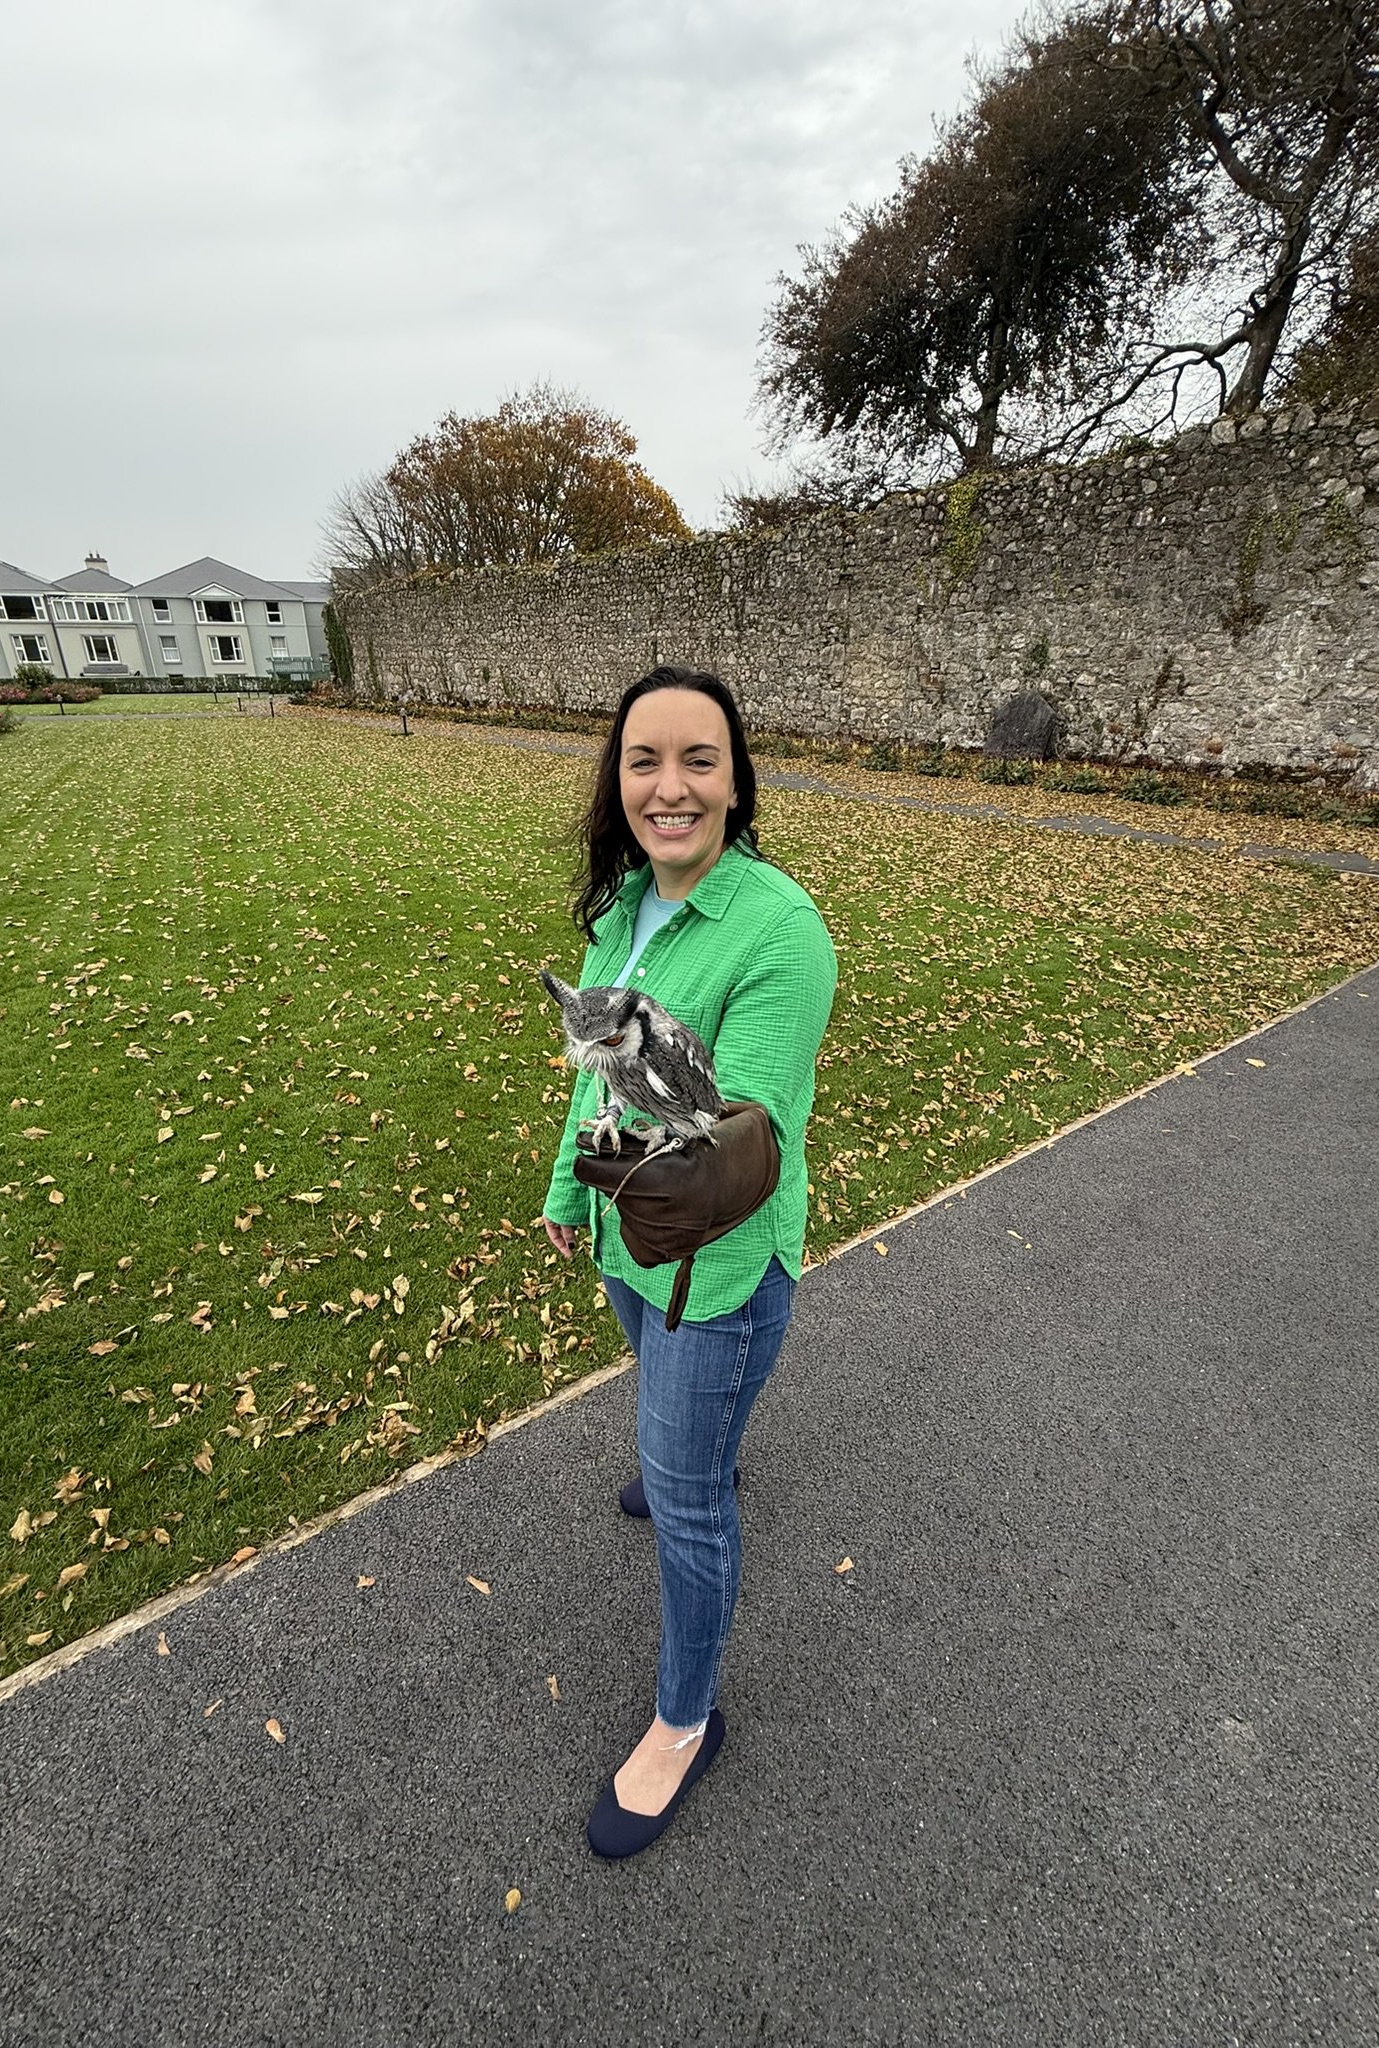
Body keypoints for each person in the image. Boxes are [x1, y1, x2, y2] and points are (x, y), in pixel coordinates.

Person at [541, 664, 837, 1858]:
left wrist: (639, 1170)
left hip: (713, 1272)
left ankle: (684, 1723)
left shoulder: (780, 930)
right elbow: (598, 1077)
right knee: (678, 1430)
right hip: (630, 1240)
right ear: (617, 781)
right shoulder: (623, 908)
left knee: (690, 1500)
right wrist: (570, 1188)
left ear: (737, 781)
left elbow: (737, 1139)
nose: (670, 786)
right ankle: (694, 1452)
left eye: (698, 759)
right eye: (644, 759)